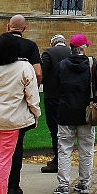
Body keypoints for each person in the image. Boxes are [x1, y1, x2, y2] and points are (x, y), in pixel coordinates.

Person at [0, 33, 40, 194]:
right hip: (12, 120)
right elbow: (32, 96)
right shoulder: (25, 67)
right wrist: (36, 114)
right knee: (3, 161)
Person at [54, 34, 97, 194]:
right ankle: (83, 183)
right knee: (86, 150)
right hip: (86, 113)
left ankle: (63, 184)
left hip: (66, 112)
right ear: (83, 48)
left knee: (64, 149)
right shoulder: (91, 63)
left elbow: (57, 85)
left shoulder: (62, 65)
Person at [4, 15, 42, 194]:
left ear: (8, 26)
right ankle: (12, 185)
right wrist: (32, 90)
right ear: (24, 29)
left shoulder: (0, 43)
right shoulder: (30, 46)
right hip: (19, 101)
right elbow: (38, 73)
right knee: (16, 144)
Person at [40, 33, 72, 174]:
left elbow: (42, 72)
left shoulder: (48, 53)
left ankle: (58, 161)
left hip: (52, 96)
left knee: (55, 129)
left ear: (52, 44)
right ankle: (62, 159)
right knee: (66, 129)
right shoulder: (71, 52)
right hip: (69, 96)